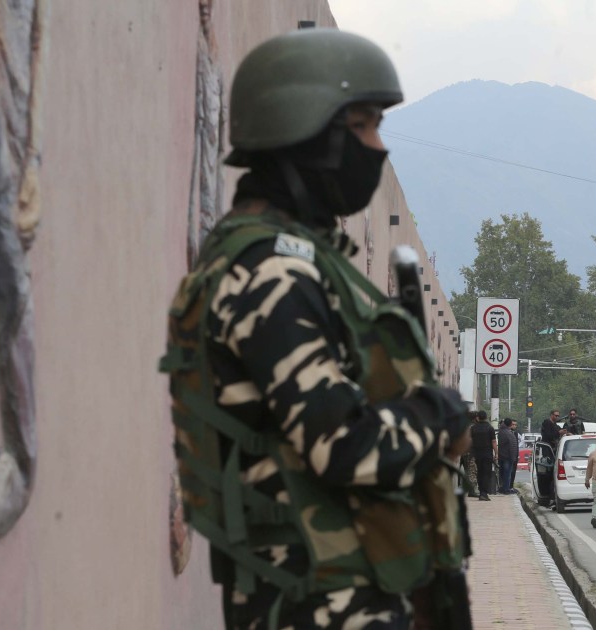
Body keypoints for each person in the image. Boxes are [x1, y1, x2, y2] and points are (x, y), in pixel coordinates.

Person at [161, 28, 472, 629]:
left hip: (337, 593)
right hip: (313, 604)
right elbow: (343, 446)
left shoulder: (293, 259)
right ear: (304, 131)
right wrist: (439, 416)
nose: (378, 147)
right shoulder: (268, 273)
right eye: (361, 127)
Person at [470, 410, 496, 501]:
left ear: (478, 417)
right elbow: (493, 442)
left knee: (480, 473)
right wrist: (496, 453)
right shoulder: (490, 428)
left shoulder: (473, 428)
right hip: (487, 454)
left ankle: (481, 492)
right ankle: (484, 493)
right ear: (486, 417)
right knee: (486, 473)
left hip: (477, 454)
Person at [498, 418, 520, 494]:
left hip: (501, 456)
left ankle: (503, 488)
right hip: (508, 457)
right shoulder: (509, 433)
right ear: (510, 424)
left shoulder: (501, 431)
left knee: (503, 473)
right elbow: (513, 446)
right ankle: (506, 489)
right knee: (507, 473)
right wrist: (513, 457)